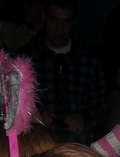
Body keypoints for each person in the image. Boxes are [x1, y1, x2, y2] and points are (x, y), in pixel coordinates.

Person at [20, 0, 108, 145]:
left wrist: (83, 116)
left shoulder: (89, 59)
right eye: (53, 20)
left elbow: (102, 105)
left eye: (66, 22)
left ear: (74, 21)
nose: (59, 28)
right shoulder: (25, 58)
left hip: (79, 145)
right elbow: (13, 107)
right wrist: (37, 116)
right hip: (40, 144)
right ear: (44, 17)